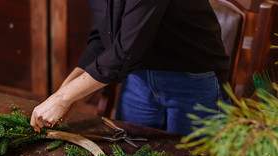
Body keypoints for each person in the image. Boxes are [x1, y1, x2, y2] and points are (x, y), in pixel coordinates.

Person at [30, 0, 230, 135]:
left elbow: (127, 49)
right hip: (137, 79)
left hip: (192, 79)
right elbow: (103, 39)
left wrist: (63, 98)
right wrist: (63, 92)